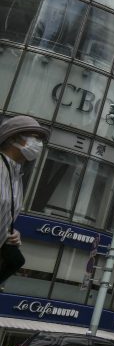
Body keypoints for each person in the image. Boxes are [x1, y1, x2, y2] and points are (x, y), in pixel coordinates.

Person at [0, 116, 49, 292]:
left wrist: (10, 231)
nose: (38, 143)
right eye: (33, 137)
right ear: (13, 138)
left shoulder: (16, 175)